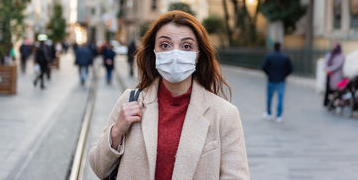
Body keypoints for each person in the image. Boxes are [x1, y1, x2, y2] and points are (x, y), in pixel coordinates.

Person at [89, 10, 249, 179]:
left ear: (198, 55)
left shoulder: (224, 114)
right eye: (165, 45)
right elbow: (99, 168)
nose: (175, 53)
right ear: (154, 51)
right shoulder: (130, 101)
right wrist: (116, 133)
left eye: (186, 46)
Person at [261, 42, 293, 122]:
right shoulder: (285, 57)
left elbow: (263, 67)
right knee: (280, 99)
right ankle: (279, 116)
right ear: (280, 47)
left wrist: (269, 74)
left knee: (269, 98)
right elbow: (290, 69)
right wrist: (284, 75)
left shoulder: (269, 56)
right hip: (281, 81)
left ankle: (269, 113)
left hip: (271, 80)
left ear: (274, 47)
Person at [323, 42, 345, 107]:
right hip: (329, 75)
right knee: (328, 88)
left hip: (336, 75)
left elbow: (337, 65)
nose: (333, 47)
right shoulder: (330, 54)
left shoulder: (341, 55)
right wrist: (326, 68)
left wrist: (329, 69)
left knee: (334, 89)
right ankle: (327, 103)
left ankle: (333, 104)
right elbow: (325, 62)